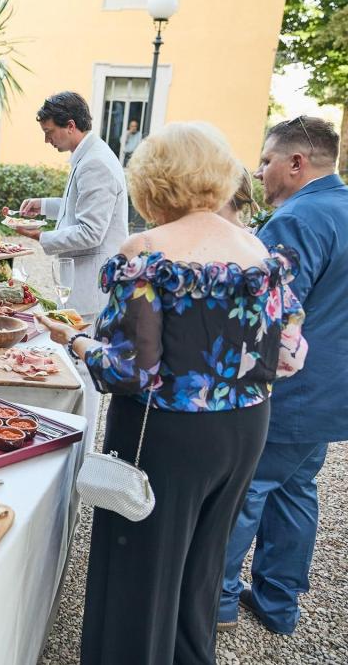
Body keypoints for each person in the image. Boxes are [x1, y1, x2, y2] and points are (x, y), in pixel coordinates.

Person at [38, 122, 307, 665]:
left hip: (166, 434)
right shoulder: (256, 248)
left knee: (141, 568)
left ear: (153, 180)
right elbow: (289, 355)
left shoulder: (146, 250)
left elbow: (129, 372)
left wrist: (76, 341)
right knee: (202, 568)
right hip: (245, 429)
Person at [219, 116, 347, 635]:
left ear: (296, 163)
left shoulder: (296, 220)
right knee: (296, 489)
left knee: (247, 489)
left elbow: (268, 315)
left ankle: (217, 600)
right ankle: (278, 604)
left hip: (291, 390)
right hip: (333, 390)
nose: (259, 173)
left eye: (266, 161)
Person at [2, 91, 128, 319]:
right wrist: (43, 206)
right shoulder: (90, 154)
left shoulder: (95, 162)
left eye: (49, 132)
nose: (46, 140)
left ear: (70, 125)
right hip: (88, 284)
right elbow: (82, 206)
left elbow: (91, 232)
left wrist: (40, 236)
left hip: (92, 289)